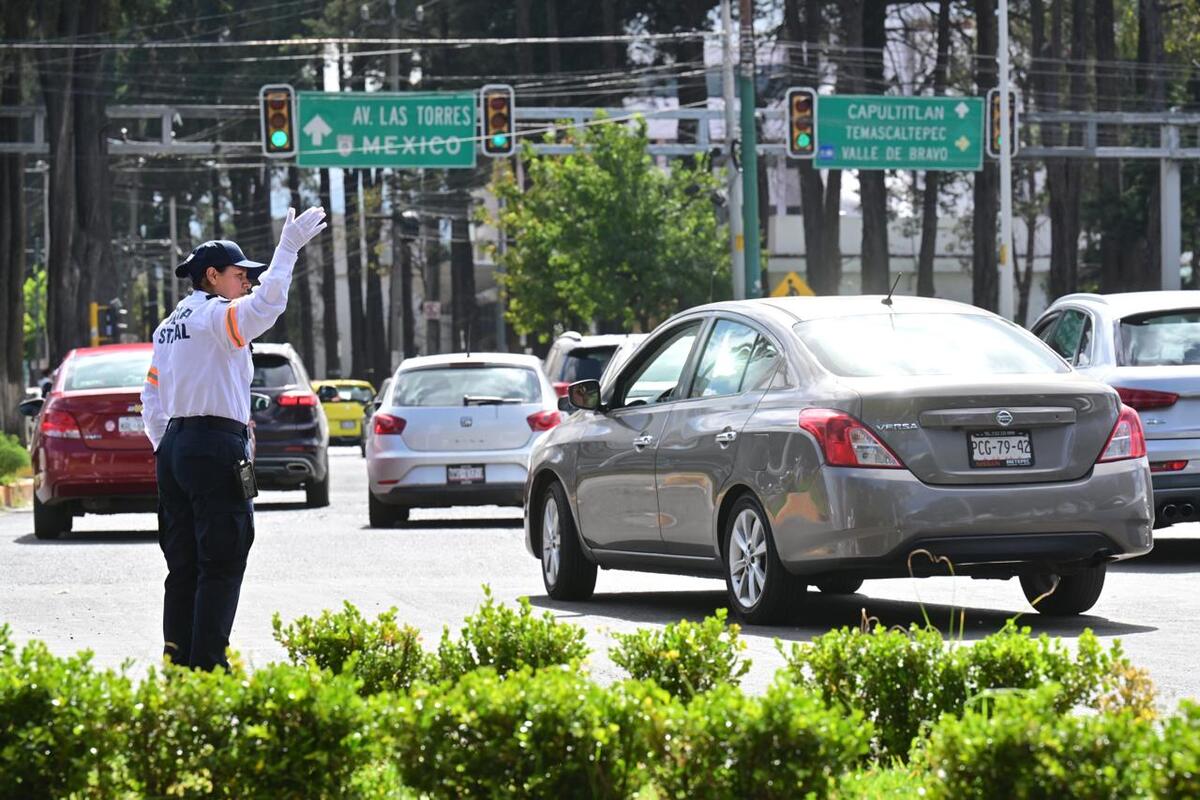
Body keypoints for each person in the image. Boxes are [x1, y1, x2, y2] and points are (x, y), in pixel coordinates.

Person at [140, 208, 326, 670]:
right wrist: (287, 251)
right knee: (222, 560)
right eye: (240, 274)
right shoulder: (214, 318)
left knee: (183, 567)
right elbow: (266, 308)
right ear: (211, 276)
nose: (247, 281)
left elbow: (151, 396)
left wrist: (170, 445)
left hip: (177, 448)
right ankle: (208, 668)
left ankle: (178, 665)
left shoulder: (169, 326)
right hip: (213, 447)